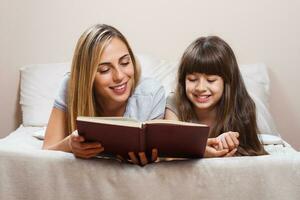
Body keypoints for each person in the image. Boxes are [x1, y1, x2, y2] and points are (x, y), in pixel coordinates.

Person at [42, 24, 165, 165]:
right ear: (87, 77)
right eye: (105, 70)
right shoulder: (70, 86)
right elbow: (47, 151)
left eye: (125, 62)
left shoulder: (151, 93)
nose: (119, 76)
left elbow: (159, 155)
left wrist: (152, 159)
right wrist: (69, 145)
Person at [165, 36, 267, 157]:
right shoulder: (174, 103)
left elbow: (252, 153)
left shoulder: (243, 107)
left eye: (211, 80)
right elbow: (169, 150)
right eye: (192, 79)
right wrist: (200, 151)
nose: (200, 87)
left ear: (227, 81)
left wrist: (228, 145)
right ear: (183, 80)